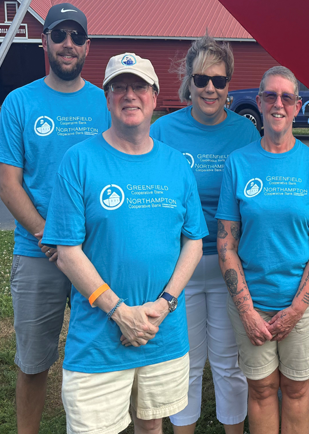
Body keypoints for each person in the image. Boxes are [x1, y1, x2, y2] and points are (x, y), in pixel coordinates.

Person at [41, 53, 208, 434]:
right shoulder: (78, 161)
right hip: (98, 341)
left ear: (154, 97)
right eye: (119, 87)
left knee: (151, 425)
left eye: (139, 87)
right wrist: (119, 312)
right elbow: (67, 253)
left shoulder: (176, 165)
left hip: (162, 333)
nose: (129, 95)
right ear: (107, 98)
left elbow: (194, 242)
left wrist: (164, 304)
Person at [0, 4, 110, 433]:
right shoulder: (19, 102)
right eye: (59, 35)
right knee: (33, 362)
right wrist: (47, 233)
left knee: (98, 357)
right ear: (45, 41)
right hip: (37, 251)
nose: (68, 44)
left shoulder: (104, 102)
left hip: (95, 253)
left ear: (87, 46)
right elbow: (9, 183)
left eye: (76, 37)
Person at [216, 65, 309, 434]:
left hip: (301, 301)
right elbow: (226, 243)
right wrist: (247, 310)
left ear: (298, 106)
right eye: (271, 95)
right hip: (252, 301)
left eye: (286, 97)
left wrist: (297, 309)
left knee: (296, 389)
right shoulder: (238, 163)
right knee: (262, 388)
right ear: (260, 102)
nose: (278, 104)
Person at [151, 35, 259, 434]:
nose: (210, 88)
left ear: (229, 84)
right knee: (187, 362)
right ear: (189, 82)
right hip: (180, 266)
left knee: (230, 363)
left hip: (231, 265)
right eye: (201, 79)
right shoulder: (163, 131)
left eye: (219, 80)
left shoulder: (246, 134)